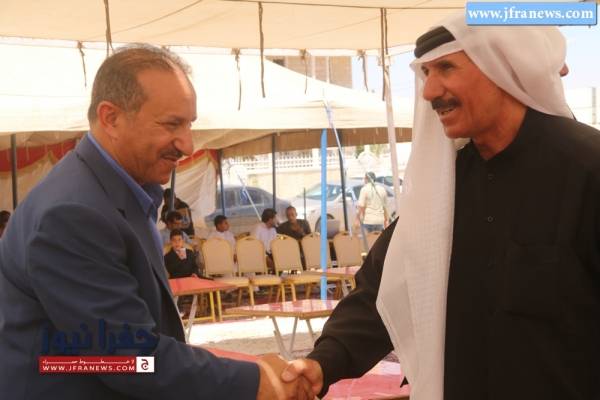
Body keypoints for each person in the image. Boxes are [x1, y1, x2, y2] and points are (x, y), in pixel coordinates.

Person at [281, 13, 600, 400]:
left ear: (502, 67)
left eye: (446, 68)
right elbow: (386, 288)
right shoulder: (447, 185)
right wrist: (323, 362)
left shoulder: (587, 168)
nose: (429, 91)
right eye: (426, 72)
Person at [0, 44, 303, 399]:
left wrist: (248, 371)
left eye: (189, 124)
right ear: (111, 118)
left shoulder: (118, 191)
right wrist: (252, 381)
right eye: (172, 124)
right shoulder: (74, 214)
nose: (188, 144)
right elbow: (128, 359)